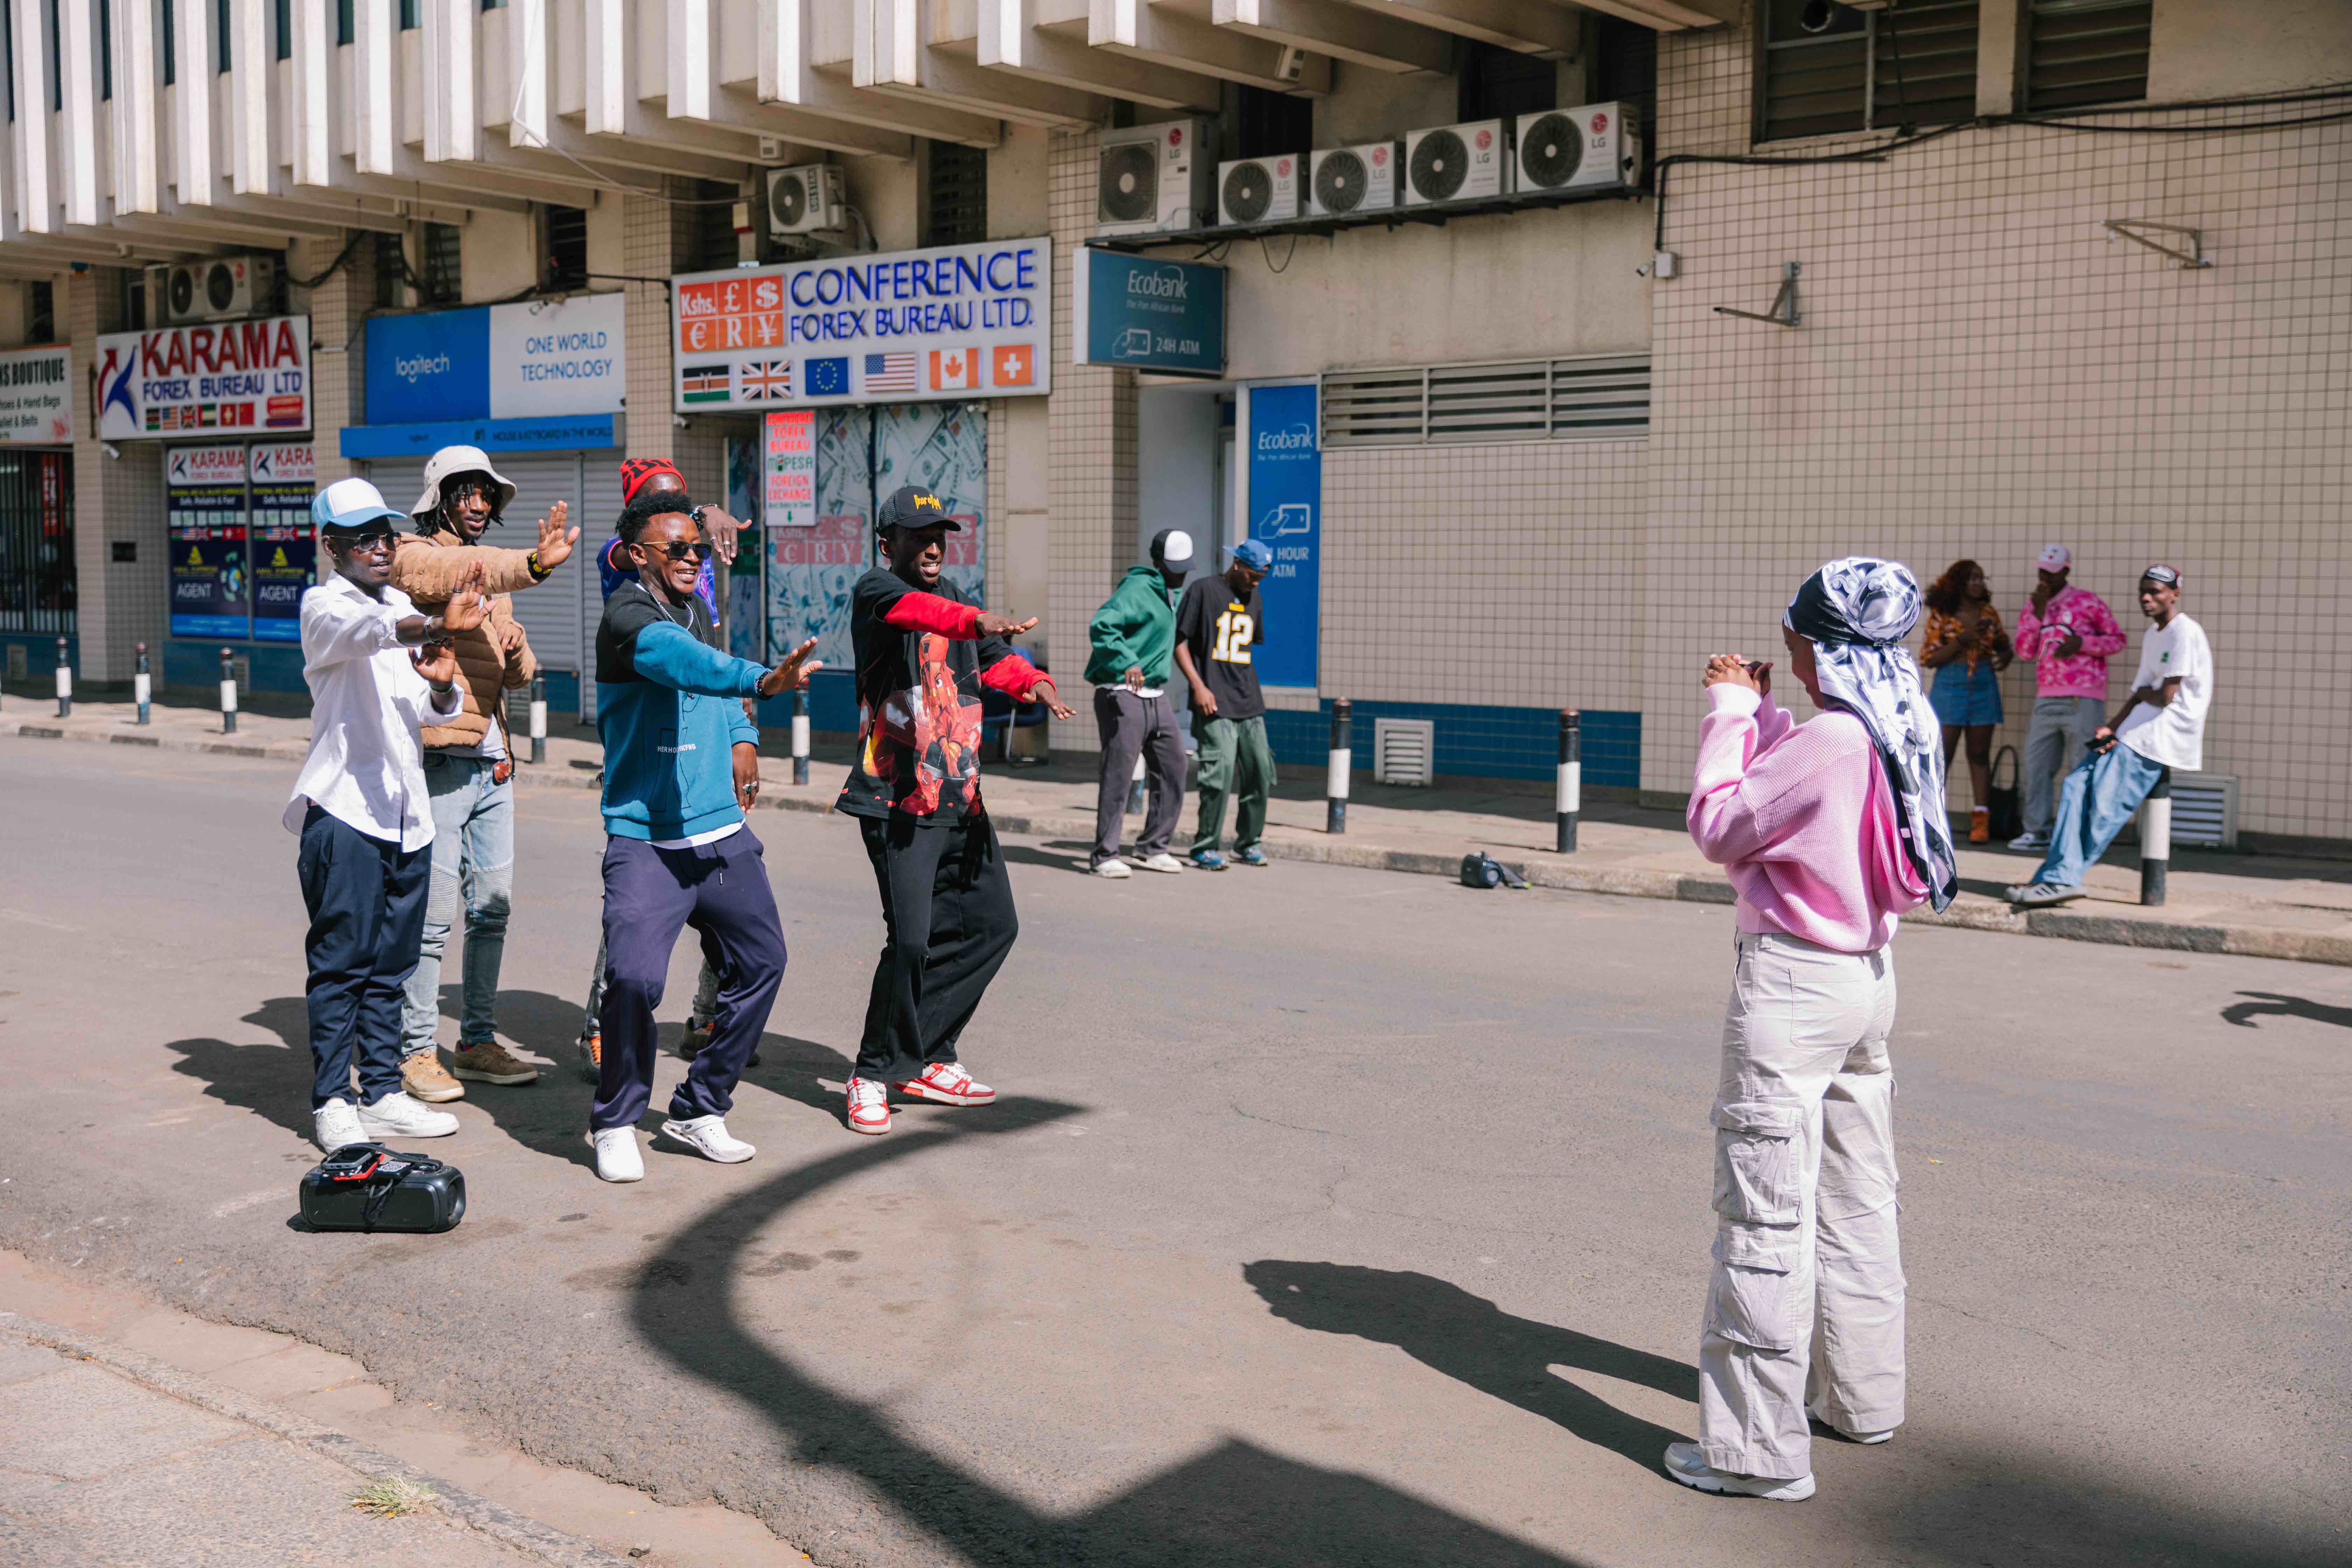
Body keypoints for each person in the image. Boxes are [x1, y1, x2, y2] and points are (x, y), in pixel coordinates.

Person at [1674, 556, 1955, 1502]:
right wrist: (1764, 717)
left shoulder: (1835, 739)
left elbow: (1721, 825)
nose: (1784, 644)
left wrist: (1725, 714)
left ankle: (1756, 1454)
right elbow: (1809, 800)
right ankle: (1862, 1401)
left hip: (1795, 984)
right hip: (1868, 978)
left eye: (1794, 632)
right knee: (1859, 1200)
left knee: (1765, 1215)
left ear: (1824, 644)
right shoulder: (1897, 722)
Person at [586, 490, 820, 1183]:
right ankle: (618, 1117)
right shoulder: (630, 616)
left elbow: (719, 688)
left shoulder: (697, 612)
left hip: (721, 833)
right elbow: (687, 665)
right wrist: (764, 679)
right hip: (648, 838)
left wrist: (745, 735)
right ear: (637, 555)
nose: (693, 558)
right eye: (677, 549)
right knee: (633, 977)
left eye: (697, 549)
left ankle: (700, 1105)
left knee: (763, 961)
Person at [837, 485, 1071, 1136]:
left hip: (959, 797)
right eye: (919, 535)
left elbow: (993, 659)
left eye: (939, 534)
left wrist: (1034, 683)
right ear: (890, 543)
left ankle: (930, 1053)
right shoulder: (878, 593)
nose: (934, 545)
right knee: (911, 939)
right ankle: (871, 1072)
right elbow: (931, 616)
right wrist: (974, 621)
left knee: (991, 926)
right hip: (896, 799)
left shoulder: (956, 601)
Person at [288, 479, 490, 1152]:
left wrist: (438, 687)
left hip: (409, 817)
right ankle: (332, 1101)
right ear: (332, 548)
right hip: (346, 811)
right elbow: (368, 632)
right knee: (342, 963)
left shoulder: (402, 602)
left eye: (386, 536)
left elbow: (426, 714)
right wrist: (432, 625)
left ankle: (381, 1092)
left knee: (392, 967)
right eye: (363, 539)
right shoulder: (322, 606)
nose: (380, 549)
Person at [387, 444, 578, 1103]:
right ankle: (414, 1051)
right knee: (435, 917)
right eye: (465, 492)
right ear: (439, 496)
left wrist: (518, 647)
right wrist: (527, 566)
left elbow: (515, 678)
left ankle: (476, 1041)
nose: (477, 504)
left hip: (494, 763)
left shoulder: (491, 586)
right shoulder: (415, 555)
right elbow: (455, 571)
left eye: (486, 494)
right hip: (442, 758)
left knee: (491, 910)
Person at [575, 458, 749, 1082]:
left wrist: (739, 736)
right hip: (649, 755)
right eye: (662, 503)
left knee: (727, 889)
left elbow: (711, 660)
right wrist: (702, 515)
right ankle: (603, 1026)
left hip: (703, 742)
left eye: (684, 495)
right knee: (638, 907)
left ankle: (707, 1018)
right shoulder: (621, 562)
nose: (681, 514)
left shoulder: (692, 560)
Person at [2006, 565, 2211, 908]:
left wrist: (2146, 699)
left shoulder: (2184, 633)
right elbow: (2142, 691)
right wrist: (2113, 727)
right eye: (2143, 591)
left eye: (2156, 592)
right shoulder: (2154, 634)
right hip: (2137, 730)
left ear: (2174, 594)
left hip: (2162, 735)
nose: (2147, 598)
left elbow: (2165, 696)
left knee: (2101, 805)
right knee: (2074, 787)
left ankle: (2064, 879)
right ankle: (2051, 875)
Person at [1084, 529, 1194, 879]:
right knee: (1119, 773)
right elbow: (1103, 625)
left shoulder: (1167, 593)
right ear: (1159, 563)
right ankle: (1105, 854)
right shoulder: (1137, 588)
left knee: (1174, 764)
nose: (1182, 574)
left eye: (1186, 568)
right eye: (1176, 567)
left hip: (1154, 694)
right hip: (1121, 691)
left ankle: (1152, 847)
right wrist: (1127, 660)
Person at [2009, 545, 2126, 853]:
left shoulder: (2088, 602)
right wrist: (2035, 613)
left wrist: (2082, 643)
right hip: (2046, 698)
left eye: (2052, 572)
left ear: (2066, 571)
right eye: (2042, 572)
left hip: (2084, 698)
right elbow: (2023, 651)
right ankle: (2037, 832)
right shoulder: (2035, 604)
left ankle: (2080, 833)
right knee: (2037, 766)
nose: (2045, 578)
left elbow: (2117, 640)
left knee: (2082, 767)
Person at [1174, 538, 1276, 870]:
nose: (1256, 583)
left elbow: (1247, 646)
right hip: (1213, 699)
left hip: (1249, 699)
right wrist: (1198, 686)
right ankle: (1205, 847)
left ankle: (1249, 842)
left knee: (1261, 772)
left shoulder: (1254, 593)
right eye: (1252, 575)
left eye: (1261, 577)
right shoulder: (1203, 591)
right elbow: (1178, 641)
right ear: (1237, 565)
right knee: (1219, 775)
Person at [1917, 560, 2013, 845]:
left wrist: (2004, 656)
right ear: (1958, 582)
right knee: (1941, 757)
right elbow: (1928, 658)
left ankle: (1981, 820)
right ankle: (1931, 819)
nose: (1978, 583)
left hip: (1984, 683)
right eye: (1972, 578)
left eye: (1981, 579)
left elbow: (2004, 645)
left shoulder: (1988, 613)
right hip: (1949, 684)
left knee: (1979, 755)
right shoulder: (1942, 615)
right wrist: (1961, 641)